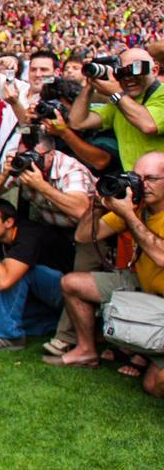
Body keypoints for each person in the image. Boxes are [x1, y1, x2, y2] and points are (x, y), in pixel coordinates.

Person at [45, 152, 164, 398]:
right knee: (72, 283)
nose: (142, 185)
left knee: (154, 386)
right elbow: (84, 236)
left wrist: (128, 215)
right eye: (137, 177)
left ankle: (149, 352)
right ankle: (87, 351)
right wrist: (98, 208)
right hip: (143, 286)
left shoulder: (135, 212)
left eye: (151, 178)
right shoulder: (138, 206)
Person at [0, 199, 73, 350]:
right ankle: (58, 324)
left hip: (66, 293)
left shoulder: (28, 236)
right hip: (41, 297)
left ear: (9, 222)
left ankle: (8, 337)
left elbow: (4, 281)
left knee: (11, 271)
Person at [68, 47, 164, 170]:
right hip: (136, 182)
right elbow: (77, 122)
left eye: (135, 70)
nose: (128, 78)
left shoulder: (159, 93)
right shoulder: (121, 104)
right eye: (121, 73)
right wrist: (90, 84)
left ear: (155, 70)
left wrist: (116, 93)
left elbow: (149, 125)